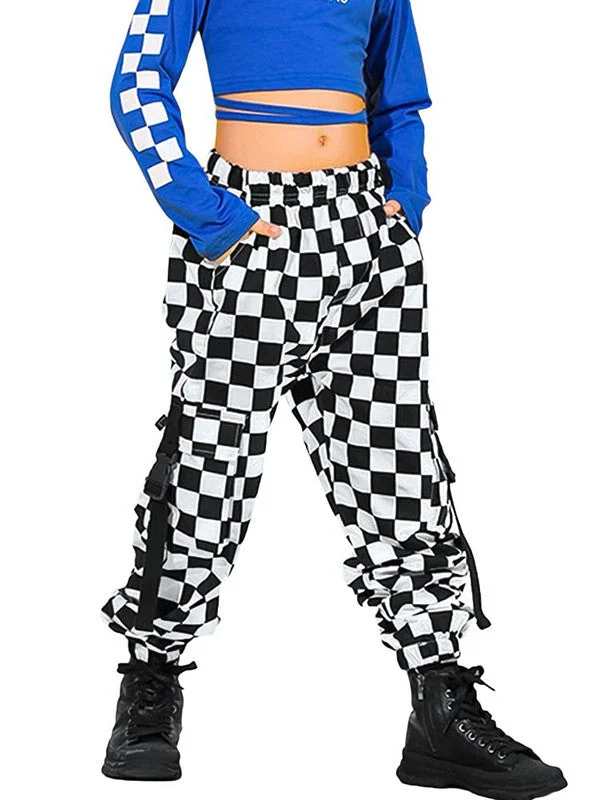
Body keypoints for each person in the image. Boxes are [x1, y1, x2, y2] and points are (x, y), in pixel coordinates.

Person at [100, 1, 567, 797]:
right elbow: (138, 83)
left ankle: (439, 705)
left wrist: (404, 197)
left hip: (361, 228)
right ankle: (151, 680)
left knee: (400, 468)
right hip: (247, 230)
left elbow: (398, 96)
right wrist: (208, 212)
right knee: (208, 468)